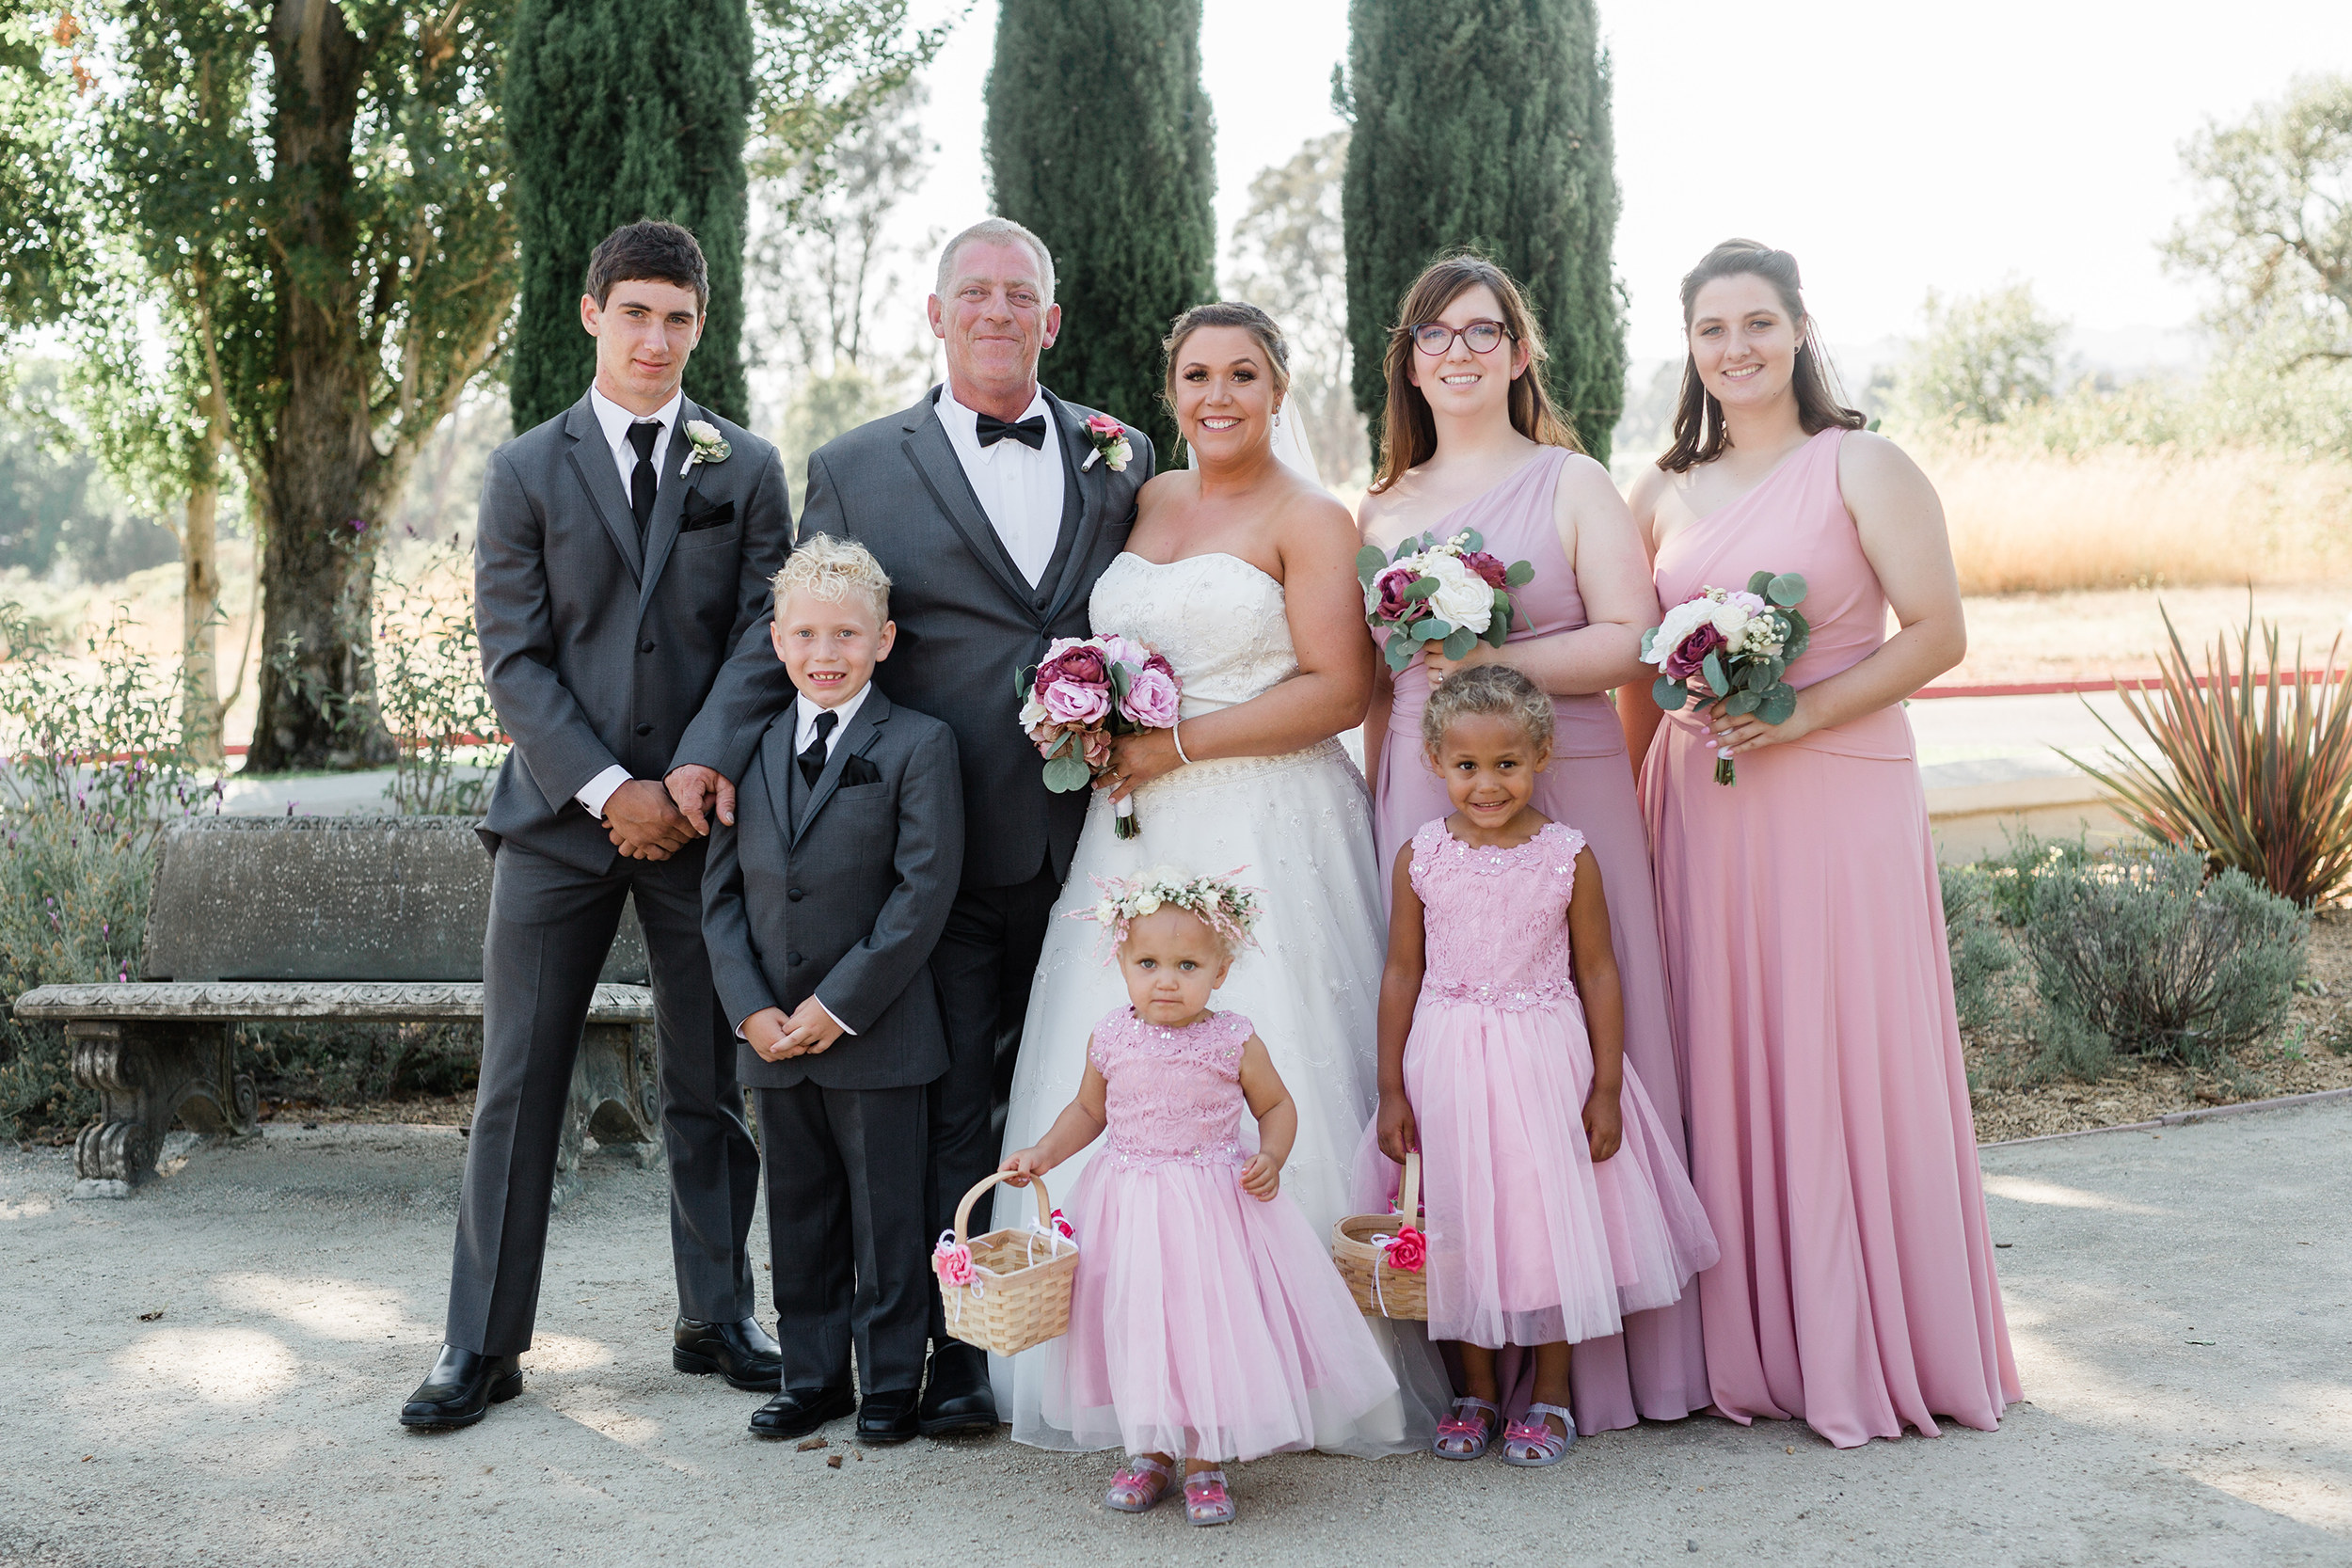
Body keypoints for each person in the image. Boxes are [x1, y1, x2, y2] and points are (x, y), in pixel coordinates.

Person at [671, 218, 1153, 1437]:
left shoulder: (1121, 451)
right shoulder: (854, 462)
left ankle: (1122, 1331)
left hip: (1108, 834)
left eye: (1022, 296)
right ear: (937, 315)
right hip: (936, 850)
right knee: (944, 1110)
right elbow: (800, 618)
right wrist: (714, 752)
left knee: (1121, 1085)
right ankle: (956, 1355)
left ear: (1050, 319)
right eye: (973, 293)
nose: (997, 311)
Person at [994, 301, 1447, 1454]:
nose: (1218, 395)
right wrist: (1089, 720)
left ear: (1278, 387)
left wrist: (1176, 744)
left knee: (1272, 1045)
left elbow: (1340, 690)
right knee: (1126, 1052)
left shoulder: (1311, 516)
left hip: (1262, 814)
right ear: (1171, 388)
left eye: (1242, 373)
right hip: (1135, 825)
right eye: (1196, 373)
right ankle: (1142, 1362)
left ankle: (1289, 1367)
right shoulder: (1149, 499)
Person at [1620, 238, 2022, 1449]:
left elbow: (1936, 632)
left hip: (1838, 792)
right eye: (1710, 330)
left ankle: (1873, 1342)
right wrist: (1642, 804)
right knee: (1725, 1052)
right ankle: (1744, 1344)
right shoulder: (1659, 489)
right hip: (1704, 802)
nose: (1734, 348)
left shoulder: (1865, 464)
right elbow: (1641, 673)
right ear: (1688, 348)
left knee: (1843, 1046)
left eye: (1756, 322)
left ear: (1798, 329)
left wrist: (1799, 712)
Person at [402, 221, 793, 1430]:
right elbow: (511, 656)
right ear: (591, 313)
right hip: (556, 822)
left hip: (702, 817)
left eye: (678, 317)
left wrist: (684, 780)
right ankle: (482, 1341)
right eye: (636, 312)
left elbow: (760, 638)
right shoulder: (526, 467)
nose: (656, 338)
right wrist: (604, 791)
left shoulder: (747, 465)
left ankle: (716, 1313)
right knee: (519, 1080)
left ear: (699, 324)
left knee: (709, 1074)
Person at [1356, 253, 1700, 1437]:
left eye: (1483, 330)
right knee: (1450, 1058)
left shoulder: (1572, 481)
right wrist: (1378, 793)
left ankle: (1597, 1365)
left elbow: (1630, 638)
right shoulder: (1384, 509)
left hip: (1571, 780)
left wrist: (1491, 670)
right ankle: (1465, 1358)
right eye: (1435, 333)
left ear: (1516, 351)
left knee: (1585, 1030)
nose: (1458, 350)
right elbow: (1376, 682)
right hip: (1421, 772)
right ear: (1408, 358)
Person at [1366, 665, 1715, 1465]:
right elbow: (1399, 974)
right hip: (1448, 1061)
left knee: (1545, 1227)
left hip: (1545, 1061)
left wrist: (1604, 1087)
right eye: (1466, 766)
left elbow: (1597, 971)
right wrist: (1391, 1087)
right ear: (1434, 760)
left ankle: (1551, 1393)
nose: (1487, 784)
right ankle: (1476, 1390)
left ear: (1542, 756)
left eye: (1507, 764)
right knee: (1455, 1223)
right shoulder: (1421, 856)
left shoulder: (1569, 855)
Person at [999, 870, 1398, 1526]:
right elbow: (1087, 1110)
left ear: (1221, 968)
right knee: (1140, 1320)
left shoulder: (1233, 1038)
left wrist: (1271, 1155)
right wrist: (1043, 1152)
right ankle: (1150, 1448)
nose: (1166, 979)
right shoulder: (1110, 1036)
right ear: (1121, 962)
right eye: (1148, 963)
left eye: (1188, 965)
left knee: (1204, 1323)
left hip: (1213, 1205)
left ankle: (1205, 1457)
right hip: (1128, 1203)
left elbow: (1276, 1105)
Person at [699, 537, 963, 1446]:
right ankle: (813, 1377)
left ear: (884, 639)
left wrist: (836, 1004)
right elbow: (721, 898)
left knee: (889, 1219)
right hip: (771, 1033)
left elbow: (921, 893)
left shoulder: (920, 745)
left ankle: (892, 1379)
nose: (826, 652)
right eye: (806, 633)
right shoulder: (754, 748)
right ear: (776, 641)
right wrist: (751, 1009)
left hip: (875, 1029)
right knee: (801, 1215)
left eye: (846, 634)